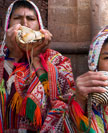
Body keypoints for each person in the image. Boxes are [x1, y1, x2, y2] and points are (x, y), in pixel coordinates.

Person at [0, 0, 75, 132]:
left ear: (40, 26)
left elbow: (64, 98)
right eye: (17, 18)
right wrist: (14, 56)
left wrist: (35, 59)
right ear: (7, 26)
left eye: (31, 19)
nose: (24, 24)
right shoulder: (2, 58)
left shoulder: (57, 60)